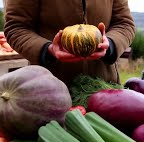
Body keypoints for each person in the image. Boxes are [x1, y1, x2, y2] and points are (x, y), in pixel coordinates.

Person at [4, 0, 135, 86]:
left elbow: (124, 24)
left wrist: (110, 45)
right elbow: (16, 28)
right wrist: (47, 50)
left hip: (104, 85)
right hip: (47, 88)